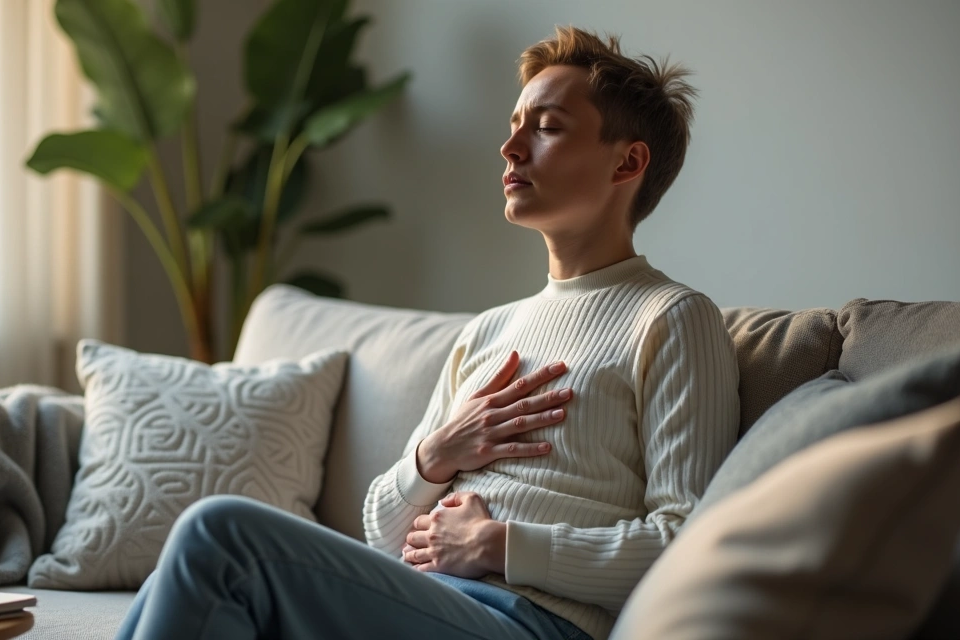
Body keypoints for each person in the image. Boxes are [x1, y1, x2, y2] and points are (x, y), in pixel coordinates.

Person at [114, 25, 739, 640]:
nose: (511, 148)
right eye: (515, 124)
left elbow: (686, 546)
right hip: (423, 602)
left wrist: (500, 545)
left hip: (527, 622)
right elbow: (384, 535)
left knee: (219, 535)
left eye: (546, 127)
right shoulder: (489, 331)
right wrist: (435, 457)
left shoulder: (673, 318)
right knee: (185, 574)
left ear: (627, 161)